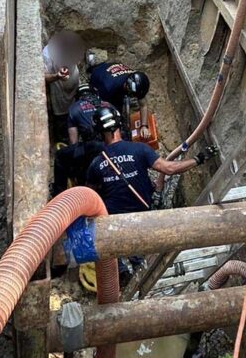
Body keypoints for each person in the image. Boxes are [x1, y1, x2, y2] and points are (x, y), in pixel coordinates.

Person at [85, 104, 216, 281]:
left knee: (118, 253)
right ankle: (142, 274)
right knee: (143, 259)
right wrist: (198, 159)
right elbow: (169, 168)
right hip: (143, 219)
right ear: (119, 125)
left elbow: (90, 198)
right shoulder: (139, 149)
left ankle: (121, 273)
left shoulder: (95, 164)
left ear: (99, 133)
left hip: (114, 224)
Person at [49, 83, 117, 196]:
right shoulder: (108, 104)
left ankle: (59, 193)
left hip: (94, 146)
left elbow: (73, 142)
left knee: (60, 156)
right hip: (114, 144)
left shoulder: (74, 108)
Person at [85, 52, 150, 139]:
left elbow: (143, 104)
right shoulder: (108, 87)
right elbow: (101, 107)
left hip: (111, 71)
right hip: (99, 77)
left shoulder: (134, 79)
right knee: (113, 109)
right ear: (127, 87)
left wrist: (144, 126)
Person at [43, 31, 82, 142]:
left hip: (75, 89)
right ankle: (63, 143)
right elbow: (44, 76)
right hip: (60, 95)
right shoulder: (48, 54)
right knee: (62, 122)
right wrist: (57, 76)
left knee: (77, 115)